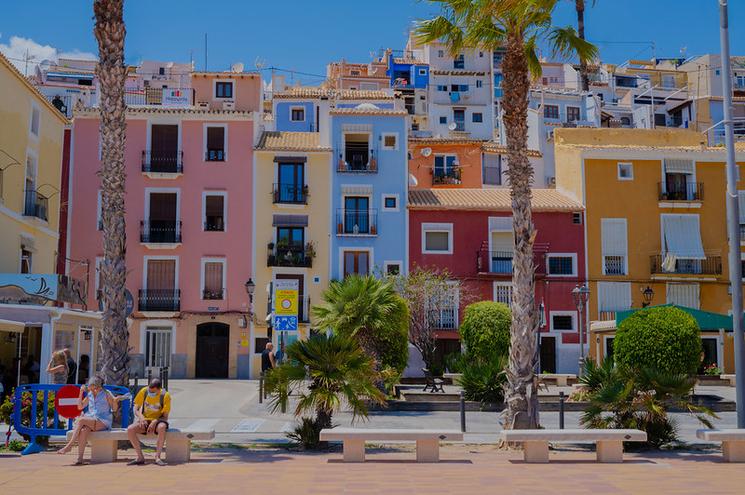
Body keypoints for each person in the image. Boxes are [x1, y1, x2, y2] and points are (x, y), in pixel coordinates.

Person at [57, 376, 121, 465]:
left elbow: (114, 409)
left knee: (81, 420)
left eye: (91, 385)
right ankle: (80, 458)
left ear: (97, 386)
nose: (89, 387)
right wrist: (80, 392)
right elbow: (80, 407)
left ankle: (69, 446)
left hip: (103, 421)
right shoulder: (90, 394)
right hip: (91, 420)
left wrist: (115, 401)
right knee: (83, 430)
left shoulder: (106, 393)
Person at [127, 378, 171, 466]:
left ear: (159, 389)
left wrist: (155, 421)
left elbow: (165, 417)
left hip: (159, 421)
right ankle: (140, 457)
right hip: (145, 420)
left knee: (162, 428)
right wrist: (141, 417)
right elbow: (135, 408)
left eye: (153, 392)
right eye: (150, 391)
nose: (151, 393)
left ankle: (157, 457)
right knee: (130, 429)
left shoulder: (165, 396)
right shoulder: (144, 391)